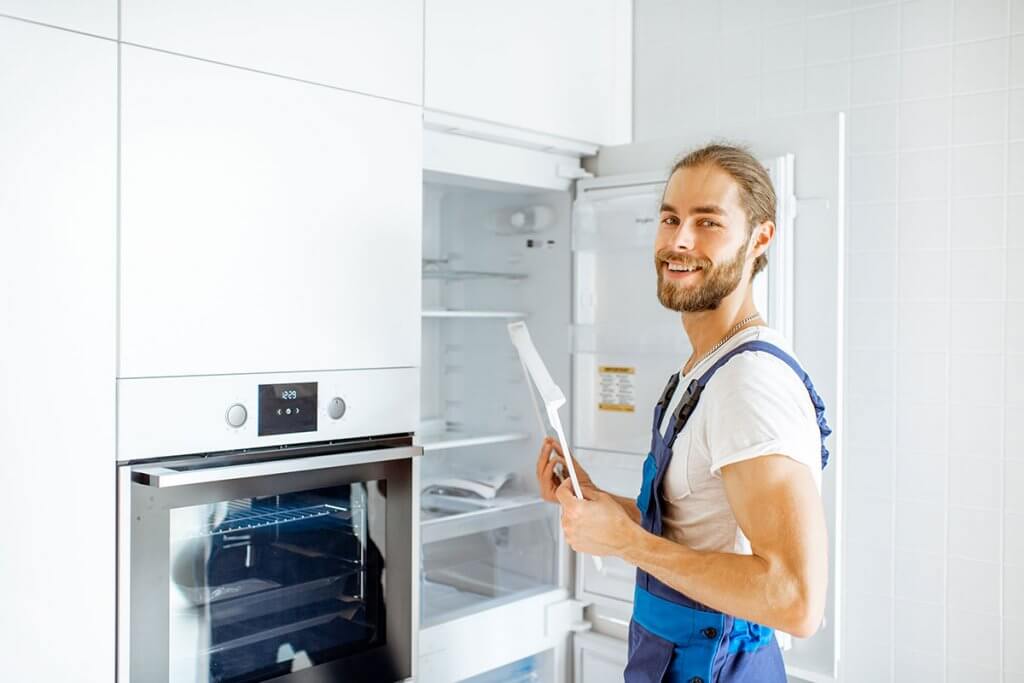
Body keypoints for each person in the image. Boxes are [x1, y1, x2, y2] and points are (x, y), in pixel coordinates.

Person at [536, 144, 831, 683]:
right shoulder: (703, 367)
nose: (679, 241)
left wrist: (626, 543)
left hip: (718, 667)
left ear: (759, 238)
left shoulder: (749, 384)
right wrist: (602, 507)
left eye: (708, 222)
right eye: (670, 218)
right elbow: (697, 528)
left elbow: (795, 600)